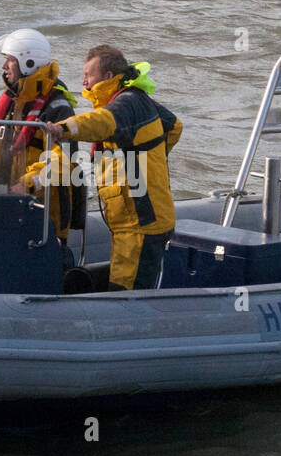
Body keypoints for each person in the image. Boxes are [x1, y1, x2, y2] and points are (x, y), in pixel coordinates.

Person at [42, 44, 181, 290]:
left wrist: (62, 129)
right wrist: (150, 159)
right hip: (132, 220)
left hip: (141, 221)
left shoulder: (125, 104)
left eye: (89, 74)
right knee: (124, 284)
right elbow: (174, 126)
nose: (84, 81)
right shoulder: (138, 99)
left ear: (107, 77)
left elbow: (101, 121)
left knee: (126, 292)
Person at [0, 28, 78, 243]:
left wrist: (29, 183)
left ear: (29, 63)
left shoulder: (57, 110)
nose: (3, 66)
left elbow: (63, 164)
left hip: (39, 215)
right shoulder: (0, 102)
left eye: (9, 60)